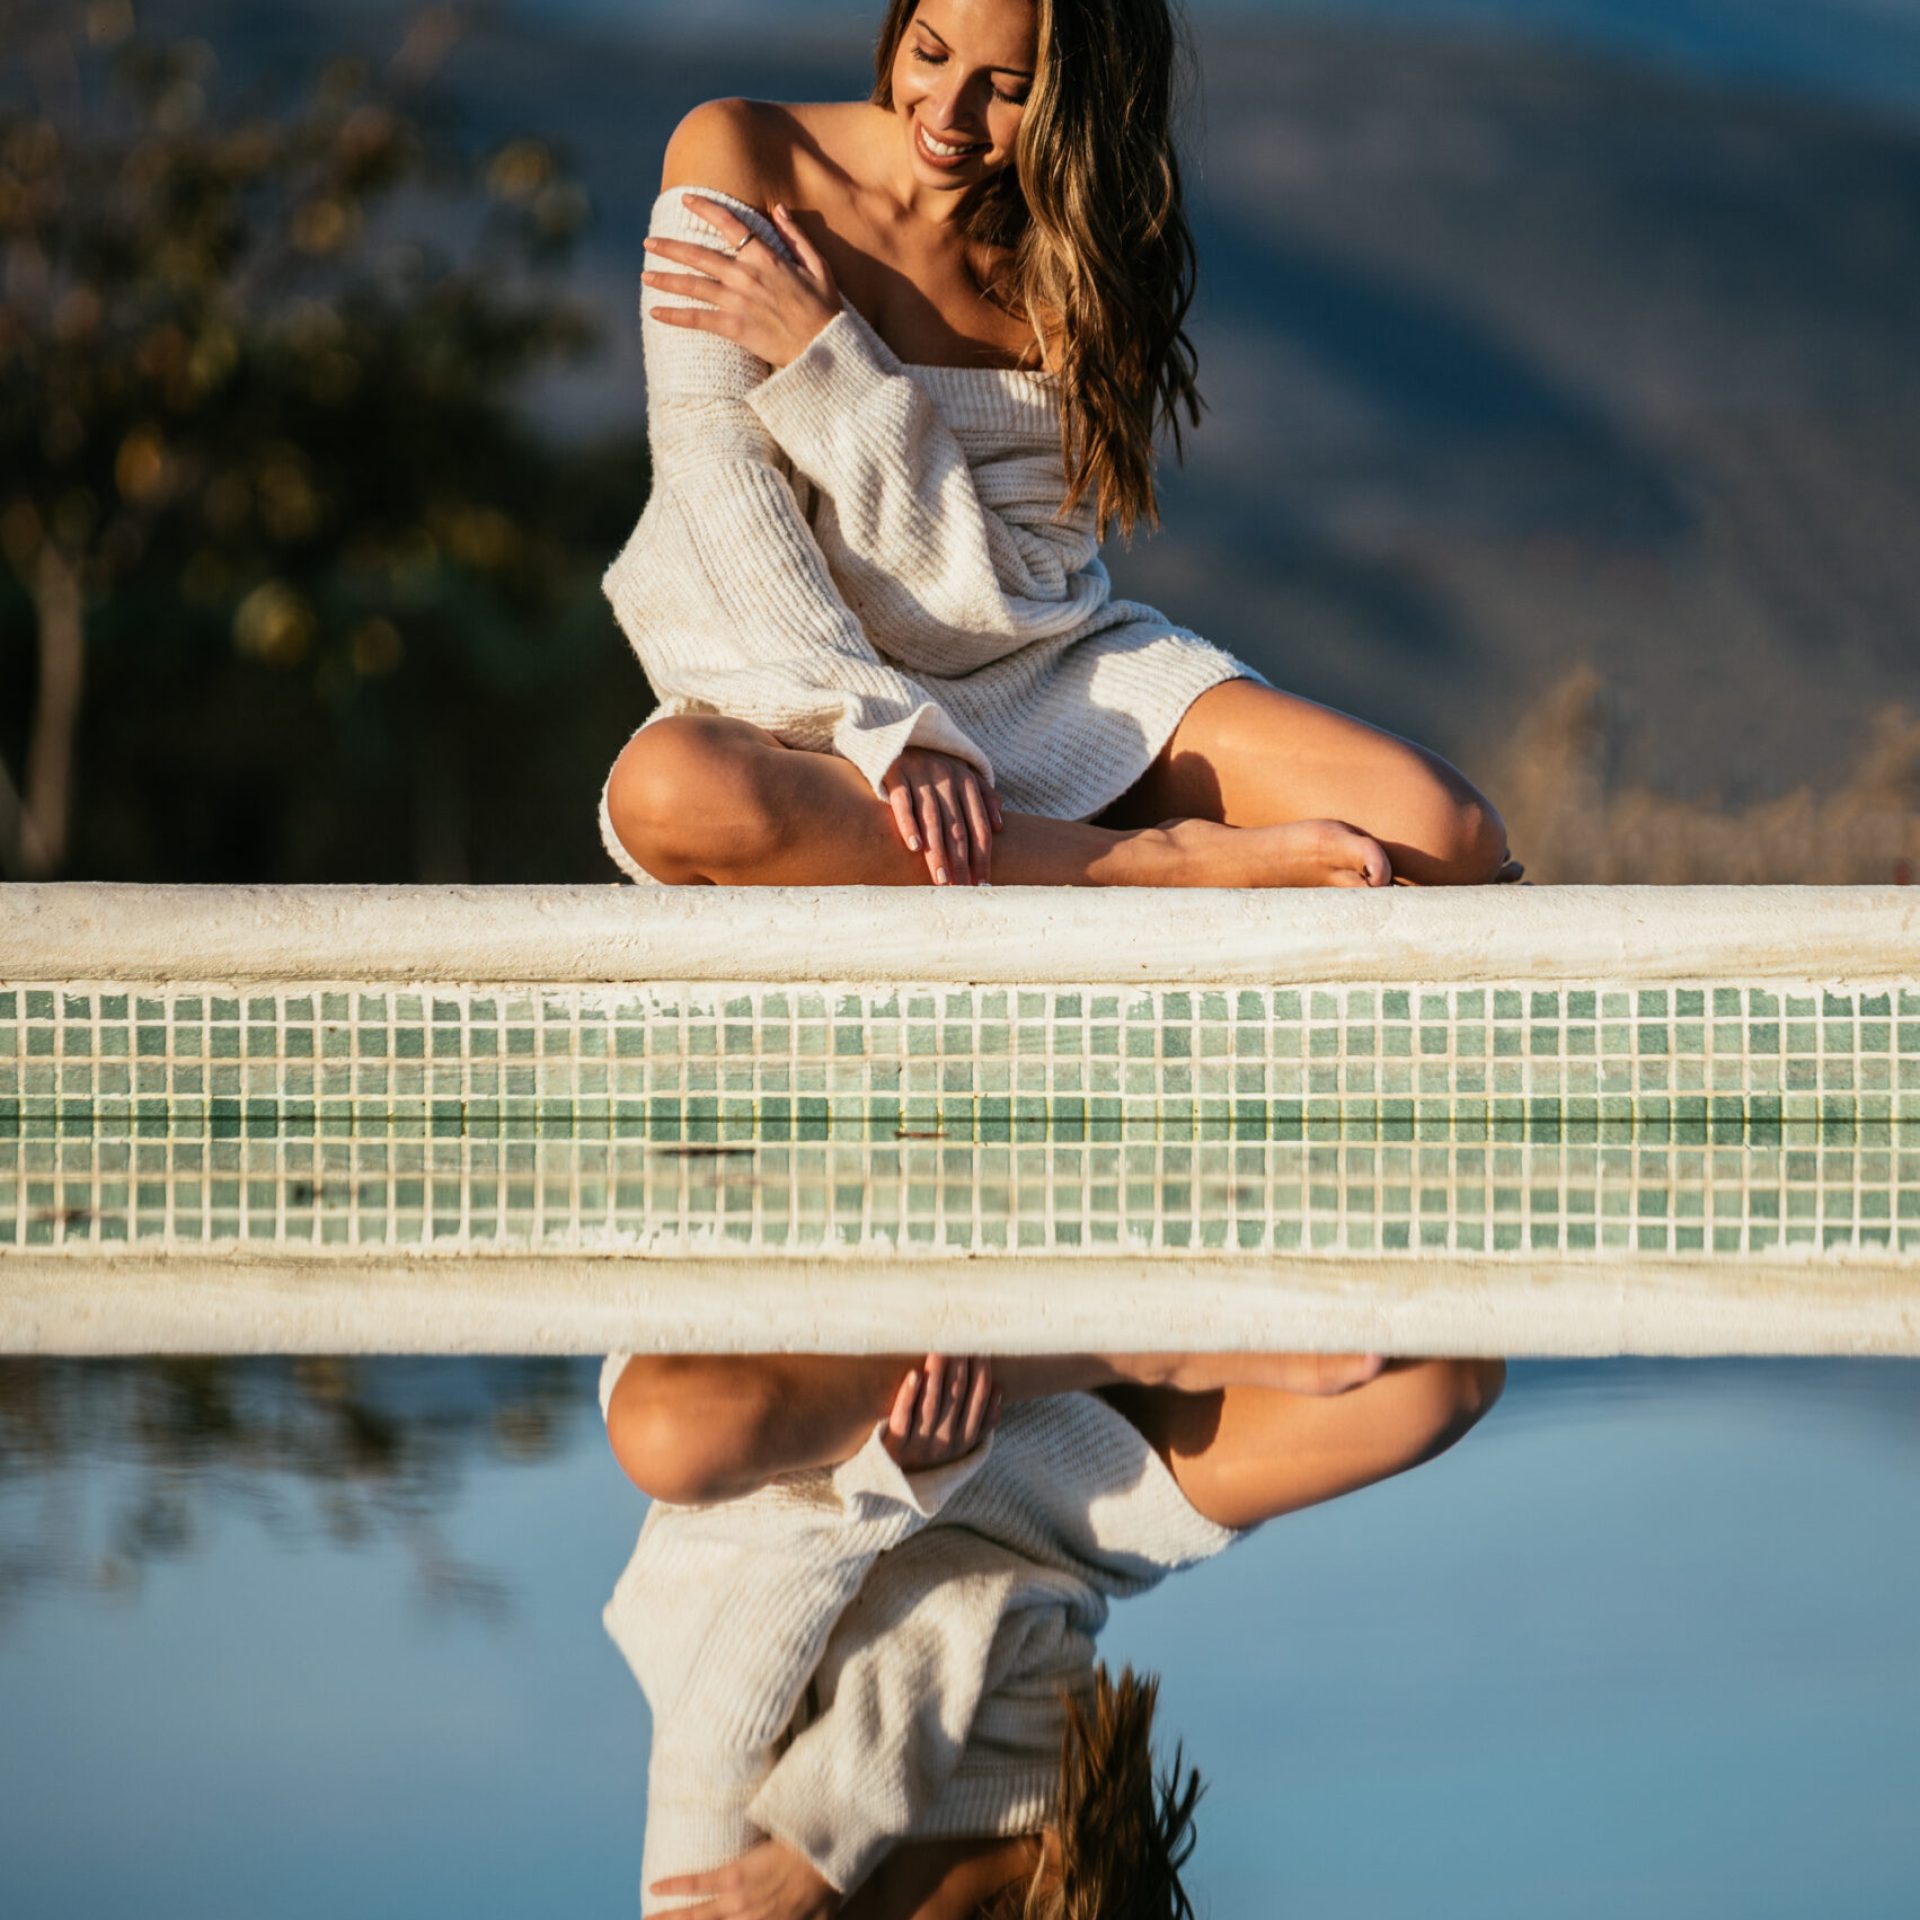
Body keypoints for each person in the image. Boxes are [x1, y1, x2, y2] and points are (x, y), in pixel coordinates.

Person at [596, 0, 1522, 894]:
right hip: (805, 690)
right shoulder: (742, 156)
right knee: (671, 789)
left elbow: (993, 593)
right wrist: (882, 726)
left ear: (1078, 102)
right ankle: (1154, 865)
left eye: (1007, 86)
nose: (950, 114)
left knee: (1446, 832)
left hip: (1032, 677)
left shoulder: (1074, 269)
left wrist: (830, 369)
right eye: (929, 52)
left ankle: (1027, 852)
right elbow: (717, 495)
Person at [601, 1349, 1505, 1917]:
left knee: (671, 1437)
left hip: (817, 1469)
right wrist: (828, 1835)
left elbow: (708, 1649)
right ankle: (1119, 1343)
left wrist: (888, 1482)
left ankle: (1139, 1341)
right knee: (1440, 1386)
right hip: (1050, 1523)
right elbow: (1009, 1618)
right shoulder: (1077, 1898)